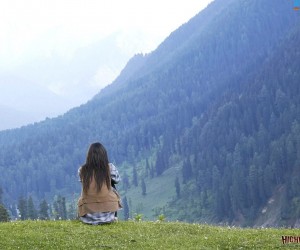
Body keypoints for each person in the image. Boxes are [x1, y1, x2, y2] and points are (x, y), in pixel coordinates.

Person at [77, 142, 122, 225]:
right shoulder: (110, 167)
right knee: (112, 185)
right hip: (108, 216)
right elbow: (117, 180)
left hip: (87, 217)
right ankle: (114, 216)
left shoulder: (82, 170)